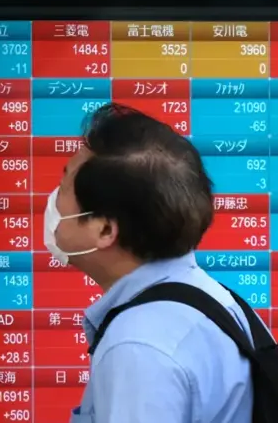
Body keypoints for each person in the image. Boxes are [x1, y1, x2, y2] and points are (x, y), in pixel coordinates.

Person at [45, 103, 254, 423]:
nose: (53, 199)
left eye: (63, 186)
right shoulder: (216, 301)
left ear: (104, 230)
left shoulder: (139, 347)